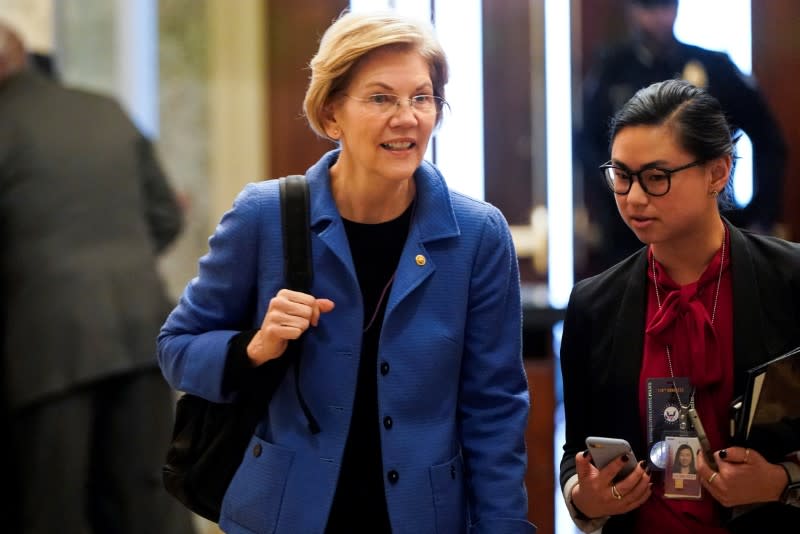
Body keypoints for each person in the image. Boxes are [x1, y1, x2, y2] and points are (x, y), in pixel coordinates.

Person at [157, 9, 535, 534]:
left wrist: (504, 527)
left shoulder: (478, 234)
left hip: (422, 518)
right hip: (285, 514)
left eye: (422, 97)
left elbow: (494, 409)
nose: (407, 117)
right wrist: (255, 346)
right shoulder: (263, 215)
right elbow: (176, 348)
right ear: (332, 114)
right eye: (381, 98)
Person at [559, 79, 800, 534]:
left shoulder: (788, 282)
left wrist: (779, 481)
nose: (633, 198)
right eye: (621, 176)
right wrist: (584, 496)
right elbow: (576, 455)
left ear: (717, 172)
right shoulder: (594, 305)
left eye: (656, 177)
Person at [0, 22, 195, 534]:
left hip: (45, 345)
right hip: (140, 326)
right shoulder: (104, 110)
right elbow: (166, 217)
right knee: (149, 501)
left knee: (56, 507)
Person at [575, 0, 788, 277]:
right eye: (648, 9)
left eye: (665, 7)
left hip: (715, 231)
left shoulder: (714, 67)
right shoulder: (611, 69)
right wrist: (620, 190)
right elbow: (584, 145)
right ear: (632, 12)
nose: (657, 19)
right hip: (625, 242)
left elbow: (769, 140)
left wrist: (761, 217)